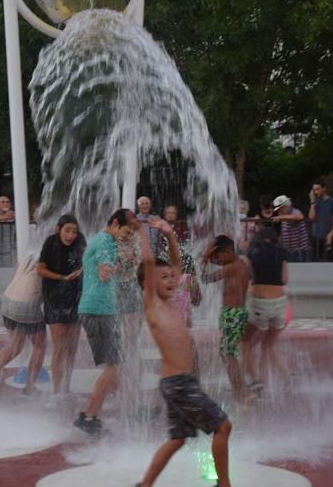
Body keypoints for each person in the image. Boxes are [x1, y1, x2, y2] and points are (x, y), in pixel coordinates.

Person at [135, 218, 232, 487]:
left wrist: (168, 234)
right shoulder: (153, 306)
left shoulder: (171, 302)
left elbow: (177, 265)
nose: (170, 280)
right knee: (223, 427)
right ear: (147, 284)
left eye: (171, 277)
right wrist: (142, 234)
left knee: (177, 439)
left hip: (177, 383)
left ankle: (144, 485)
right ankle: (224, 485)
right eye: (162, 277)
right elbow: (149, 262)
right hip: (179, 384)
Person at [74, 208, 137, 435]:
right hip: (97, 310)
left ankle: (133, 409)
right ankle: (88, 415)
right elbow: (104, 273)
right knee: (114, 366)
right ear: (114, 223)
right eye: (126, 233)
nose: (127, 238)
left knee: (116, 365)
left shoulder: (104, 241)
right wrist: (122, 261)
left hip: (101, 310)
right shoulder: (105, 241)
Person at [0, 256, 47, 399]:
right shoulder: (52, 254)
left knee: (16, 345)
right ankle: (30, 388)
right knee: (40, 346)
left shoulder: (31, 254)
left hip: (8, 301)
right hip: (26, 304)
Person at [36, 214, 86, 396]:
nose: (71, 235)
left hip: (74, 298)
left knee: (72, 346)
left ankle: (66, 386)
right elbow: (40, 269)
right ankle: (57, 390)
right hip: (54, 298)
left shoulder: (80, 241)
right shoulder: (51, 243)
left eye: (74, 231)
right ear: (58, 229)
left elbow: (86, 262)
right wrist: (63, 278)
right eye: (67, 230)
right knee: (60, 346)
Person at [202, 234, 250, 400]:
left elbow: (206, 278)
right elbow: (214, 262)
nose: (218, 259)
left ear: (228, 251)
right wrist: (209, 254)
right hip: (233, 314)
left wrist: (205, 256)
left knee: (227, 355)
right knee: (228, 354)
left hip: (233, 314)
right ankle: (241, 391)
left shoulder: (233, 267)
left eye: (219, 255)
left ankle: (242, 392)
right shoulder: (236, 264)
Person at [243, 227, 289, 393]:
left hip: (260, 302)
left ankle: (255, 380)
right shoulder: (282, 252)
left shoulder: (252, 253)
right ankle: (286, 377)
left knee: (246, 341)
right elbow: (284, 280)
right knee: (268, 345)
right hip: (280, 302)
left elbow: (247, 278)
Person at [307, 180, 333, 261]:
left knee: (328, 261)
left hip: (327, 236)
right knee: (315, 261)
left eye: (317, 189)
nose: (315, 192)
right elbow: (311, 218)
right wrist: (312, 202)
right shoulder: (315, 202)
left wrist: (331, 234)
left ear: (324, 189)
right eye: (314, 189)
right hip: (315, 236)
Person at [271, 195, 310, 262]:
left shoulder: (295, 211)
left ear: (285, 207)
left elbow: (300, 217)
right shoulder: (284, 216)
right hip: (288, 251)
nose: (279, 212)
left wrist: (280, 217)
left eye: (280, 210)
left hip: (299, 251)